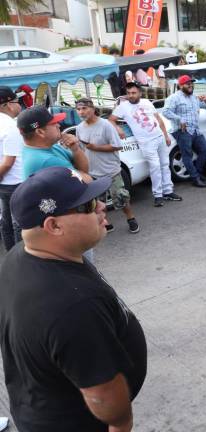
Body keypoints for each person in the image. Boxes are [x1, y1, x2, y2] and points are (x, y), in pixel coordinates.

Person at [0, 166, 147, 432]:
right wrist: (121, 423)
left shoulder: (21, 256)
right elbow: (102, 395)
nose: (103, 206)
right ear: (53, 225)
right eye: (88, 205)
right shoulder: (72, 306)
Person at [75, 98, 140, 234]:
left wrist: (95, 147)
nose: (81, 112)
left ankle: (131, 219)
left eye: (84, 108)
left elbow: (117, 146)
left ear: (92, 109)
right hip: (93, 173)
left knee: (121, 197)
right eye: (78, 109)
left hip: (111, 171)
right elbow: (81, 149)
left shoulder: (105, 125)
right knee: (99, 202)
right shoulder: (79, 128)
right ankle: (107, 223)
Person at [110, 83, 180, 207]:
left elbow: (158, 118)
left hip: (159, 137)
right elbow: (110, 120)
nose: (131, 95)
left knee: (164, 164)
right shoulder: (123, 107)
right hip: (146, 142)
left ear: (139, 93)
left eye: (134, 93)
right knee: (155, 167)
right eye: (129, 93)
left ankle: (168, 191)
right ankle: (158, 195)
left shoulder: (147, 102)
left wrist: (165, 135)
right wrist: (118, 129)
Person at [162, 74, 206, 188]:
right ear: (181, 86)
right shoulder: (174, 98)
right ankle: (195, 178)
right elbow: (166, 112)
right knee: (187, 154)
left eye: (191, 83)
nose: (190, 85)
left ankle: (198, 173)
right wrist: (179, 119)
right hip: (182, 131)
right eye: (187, 83)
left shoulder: (194, 97)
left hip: (195, 129)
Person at [20, 106, 88, 180]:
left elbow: (84, 170)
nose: (58, 125)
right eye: (54, 123)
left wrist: (75, 149)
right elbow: (86, 179)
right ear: (40, 132)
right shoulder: (47, 160)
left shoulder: (49, 146)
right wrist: (82, 173)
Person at [0, 86, 23, 251]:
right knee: (20, 225)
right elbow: (9, 162)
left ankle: (11, 258)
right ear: (7, 104)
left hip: (4, 183)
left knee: (6, 223)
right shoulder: (10, 126)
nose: (19, 105)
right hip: (15, 182)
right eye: (17, 101)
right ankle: (23, 262)